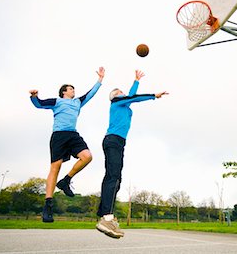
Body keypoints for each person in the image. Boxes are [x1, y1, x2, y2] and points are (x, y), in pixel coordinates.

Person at [96, 70, 168, 238]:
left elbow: (130, 96)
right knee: (113, 177)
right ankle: (106, 216)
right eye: (120, 92)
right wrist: (153, 95)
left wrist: (136, 81)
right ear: (115, 96)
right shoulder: (116, 101)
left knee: (116, 179)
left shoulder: (123, 104)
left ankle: (105, 214)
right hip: (113, 140)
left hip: (118, 142)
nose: (123, 94)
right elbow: (132, 97)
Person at [29, 67, 105, 223]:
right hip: (59, 136)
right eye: (71, 89)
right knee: (55, 168)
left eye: (74, 89)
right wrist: (34, 96)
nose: (73, 91)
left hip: (73, 135)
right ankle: (48, 205)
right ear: (64, 92)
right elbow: (39, 104)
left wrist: (100, 80)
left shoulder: (77, 102)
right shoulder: (57, 102)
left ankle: (65, 181)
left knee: (87, 156)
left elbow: (90, 94)